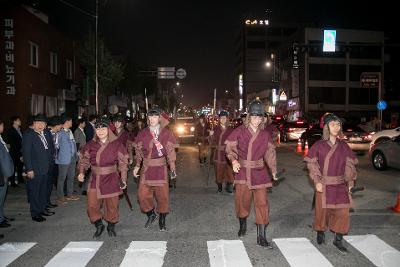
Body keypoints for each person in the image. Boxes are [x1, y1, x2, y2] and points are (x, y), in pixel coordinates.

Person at [225, 99, 277, 248]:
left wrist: (273, 170)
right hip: (243, 171)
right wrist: (234, 161)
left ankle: (261, 235)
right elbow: (229, 147)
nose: (256, 120)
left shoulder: (265, 134)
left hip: (260, 171)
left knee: (262, 204)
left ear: (262, 118)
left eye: (259, 117)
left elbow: (270, 153)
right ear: (249, 117)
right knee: (242, 201)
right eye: (254, 117)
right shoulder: (239, 131)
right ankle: (242, 224)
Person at [304, 113, 358, 254]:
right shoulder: (319, 145)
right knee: (322, 213)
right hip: (324, 183)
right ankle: (320, 231)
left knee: (342, 212)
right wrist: (317, 181)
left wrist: (350, 182)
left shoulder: (344, 146)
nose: (336, 127)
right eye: (333, 124)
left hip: (340, 184)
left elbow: (349, 165)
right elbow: (312, 164)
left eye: (338, 124)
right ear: (327, 127)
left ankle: (338, 239)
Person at [77, 115, 129, 238]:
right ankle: (99, 224)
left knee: (112, 205)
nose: (100, 131)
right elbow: (84, 160)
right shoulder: (90, 144)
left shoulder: (117, 144)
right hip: (95, 178)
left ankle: (111, 225)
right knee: (92, 205)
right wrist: (81, 172)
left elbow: (123, 163)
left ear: (109, 130)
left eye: (103, 128)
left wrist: (123, 179)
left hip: (111, 178)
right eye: (97, 129)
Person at [133, 107, 177, 231]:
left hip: (160, 168)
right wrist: (137, 165)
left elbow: (170, 152)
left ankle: (162, 218)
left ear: (159, 118)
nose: (152, 119)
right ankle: (151, 213)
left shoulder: (166, 133)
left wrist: (172, 168)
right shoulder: (143, 133)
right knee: (142, 196)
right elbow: (138, 151)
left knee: (162, 196)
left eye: (155, 116)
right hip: (146, 168)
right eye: (150, 117)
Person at [22, 114, 55, 222]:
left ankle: (42, 209)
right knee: (35, 192)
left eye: (43, 123)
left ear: (46, 125)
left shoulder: (45, 133)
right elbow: (26, 154)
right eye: (38, 123)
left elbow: (49, 150)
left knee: (43, 190)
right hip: (35, 169)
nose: (40, 125)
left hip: (45, 168)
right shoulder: (28, 135)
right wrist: (29, 169)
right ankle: (35, 213)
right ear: (34, 124)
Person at [209, 111, 234, 193]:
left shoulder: (231, 130)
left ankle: (229, 185)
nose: (223, 119)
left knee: (229, 170)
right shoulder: (215, 129)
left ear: (227, 119)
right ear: (219, 119)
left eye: (224, 118)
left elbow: (234, 141)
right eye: (221, 118)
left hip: (228, 153)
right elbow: (211, 143)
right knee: (219, 170)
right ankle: (219, 186)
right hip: (218, 153)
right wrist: (211, 135)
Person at [56, 115, 79, 205]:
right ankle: (60, 196)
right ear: (67, 121)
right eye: (71, 121)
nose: (72, 123)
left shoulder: (70, 131)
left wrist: (76, 154)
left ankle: (69, 194)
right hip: (63, 159)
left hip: (72, 157)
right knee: (62, 178)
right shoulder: (59, 132)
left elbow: (73, 143)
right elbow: (56, 146)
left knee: (71, 176)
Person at [45, 116, 63, 209]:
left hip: (54, 161)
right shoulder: (47, 133)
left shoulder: (55, 133)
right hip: (48, 162)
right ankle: (45, 203)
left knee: (50, 184)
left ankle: (47, 202)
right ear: (56, 125)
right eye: (60, 125)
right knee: (47, 184)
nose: (61, 127)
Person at [0, 119, 15, 228]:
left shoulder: (1, 138)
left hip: (4, 173)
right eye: (1, 125)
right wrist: (5, 174)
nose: (3, 127)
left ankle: (1, 217)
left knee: (2, 198)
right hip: (2, 174)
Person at [5, 116, 24, 187]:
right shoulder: (11, 130)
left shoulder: (19, 129)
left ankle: (20, 179)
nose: (20, 121)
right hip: (14, 152)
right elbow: (12, 144)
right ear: (14, 121)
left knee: (20, 166)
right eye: (19, 120)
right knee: (13, 167)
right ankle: (12, 182)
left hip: (20, 151)